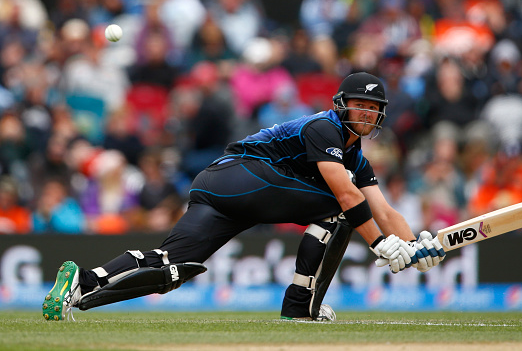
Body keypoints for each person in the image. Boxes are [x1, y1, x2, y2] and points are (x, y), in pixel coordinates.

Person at [42, 72, 445, 322]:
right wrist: (381, 244)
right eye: (358, 105)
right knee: (339, 205)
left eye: (373, 108)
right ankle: (301, 305)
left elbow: (384, 208)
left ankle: (79, 286)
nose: (365, 113)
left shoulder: (357, 159)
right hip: (240, 177)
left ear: (381, 115)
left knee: (172, 269)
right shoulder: (324, 128)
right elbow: (345, 194)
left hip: (219, 190)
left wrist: (413, 247)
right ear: (340, 106)